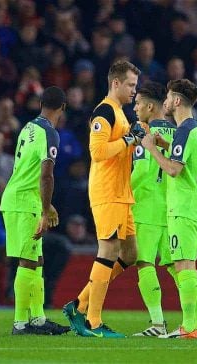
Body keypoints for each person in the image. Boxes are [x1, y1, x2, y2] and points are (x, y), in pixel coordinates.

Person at [63, 60, 144, 338]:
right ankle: (92, 321)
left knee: (130, 254)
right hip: (107, 191)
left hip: (122, 193)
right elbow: (97, 153)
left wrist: (135, 139)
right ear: (116, 83)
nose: (135, 90)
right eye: (131, 85)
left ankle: (79, 305)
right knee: (108, 251)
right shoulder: (104, 112)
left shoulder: (120, 113)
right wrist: (128, 141)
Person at [141, 78, 197, 339]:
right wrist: (166, 145)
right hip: (195, 205)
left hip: (182, 207)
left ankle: (188, 326)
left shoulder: (183, 129)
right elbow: (186, 159)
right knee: (188, 265)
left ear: (177, 101)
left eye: (169, 98)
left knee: (183, 265)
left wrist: (151, 149)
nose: (166, 102)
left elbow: (174, 169)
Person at [0, 86, 70, 336]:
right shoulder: (49, 133)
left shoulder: (28, 128)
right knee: (28, 260)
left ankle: (38, 319)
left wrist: (45, 204)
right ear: (63, 107)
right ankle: (20, 323)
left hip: (19, 197)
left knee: (37, 260)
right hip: (24, 203)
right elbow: (46, 175)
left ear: (40, 103)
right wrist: (44, 210)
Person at [130, 81, 177, 337]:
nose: (135, 108)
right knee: (177, 266)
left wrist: (122, 192)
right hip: (170, 208)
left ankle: (158, 323)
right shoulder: (177, 131)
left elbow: (143, 171)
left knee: (144, 263)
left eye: (138, 103)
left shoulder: (143, 131)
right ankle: (195, 320)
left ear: (150, 106)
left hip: (146, 207)